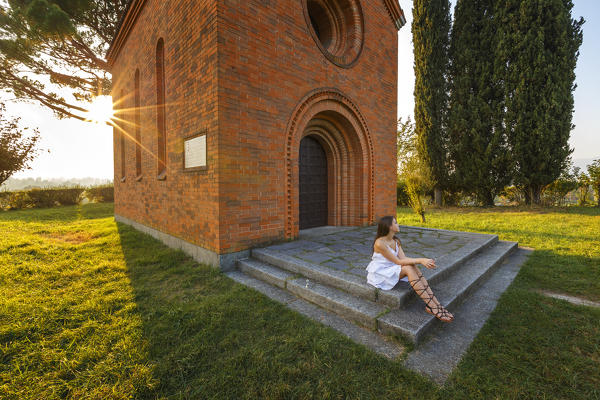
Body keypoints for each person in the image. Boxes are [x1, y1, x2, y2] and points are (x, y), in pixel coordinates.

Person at [366, 216, 454, 323]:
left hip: (391, 268)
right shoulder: (380, 243)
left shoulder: (396, 241)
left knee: (412, 265)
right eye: (396, 223)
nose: (398, 224)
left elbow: (403, 258)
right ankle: (432, 306)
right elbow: (398, 262)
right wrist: (421, 260)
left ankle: (436, 304)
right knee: (408, 268)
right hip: (381, 273)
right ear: (389, 226)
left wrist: (422, 261)